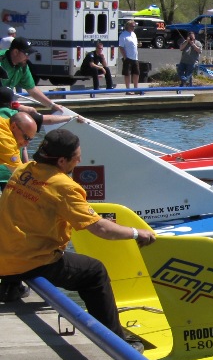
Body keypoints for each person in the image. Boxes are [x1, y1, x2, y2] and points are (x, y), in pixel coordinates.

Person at [0, 128, 157, 325]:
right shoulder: (64, 186)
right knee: (94, 272)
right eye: (77, 158)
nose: (79, 162)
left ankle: (11, 285)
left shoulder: (24, 170)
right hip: (30, 261)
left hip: (3, 256)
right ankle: (114, 336)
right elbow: (101, 229)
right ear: (62, 161)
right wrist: (137, 233)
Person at [1, 36, 67, 114]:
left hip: (5, 103)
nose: (28, 57)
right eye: (26, 53)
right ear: (15, 52)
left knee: (33, 114)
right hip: (3, 104)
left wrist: (52, 105)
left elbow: (33, 90)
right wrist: (18, 106)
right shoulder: (1, 61)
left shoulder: (23, 66)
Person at [0, 109, 37, 191]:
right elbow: (21, 174)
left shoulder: (3, 123)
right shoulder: (6, 140)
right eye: (26, 138)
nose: (27, 143)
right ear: (13, 126)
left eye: (30, 139)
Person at [117, 19, 141, 92]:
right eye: (132, 26)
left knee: (136, 73)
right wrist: (125, 57)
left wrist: (138, 45)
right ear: (128, 26)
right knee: (127, 74)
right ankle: (128, 89)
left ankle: (136, 88)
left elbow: (134, 45)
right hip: (128, 57)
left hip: (135, 57)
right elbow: (121, 47)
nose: (133, 27)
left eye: (134, 26)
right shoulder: (123, 35)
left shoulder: (133, 34)